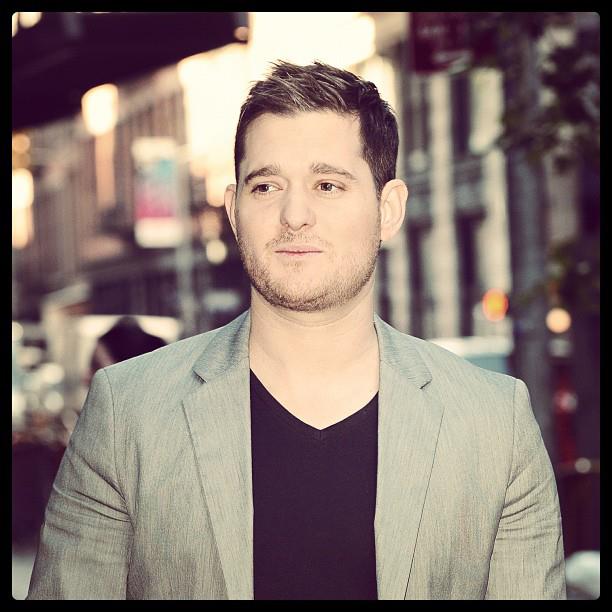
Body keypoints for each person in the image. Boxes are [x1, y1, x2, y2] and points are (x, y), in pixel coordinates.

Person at [27, 61, 565, 600]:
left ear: (388, 209)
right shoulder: (127, 413)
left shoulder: (495, 424)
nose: (294, 214)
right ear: (234, 211)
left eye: (328, 184)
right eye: (266, 186)